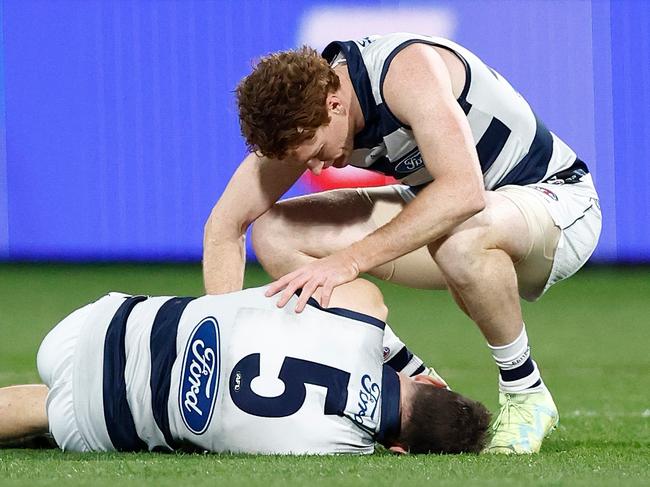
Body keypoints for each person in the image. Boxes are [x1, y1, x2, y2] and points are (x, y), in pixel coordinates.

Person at [202, 33, 602, 454]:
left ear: (334, 105)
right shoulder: (305, 113)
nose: (317, 166)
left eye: (317, 150)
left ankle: (526, 394)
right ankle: (409, 380)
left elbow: (464, 192)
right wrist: (226, 348)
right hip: (461, 221)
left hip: (555, 205)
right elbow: (224, 226)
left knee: (460, 234)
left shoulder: (404, 70)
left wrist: (350, 260)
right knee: (276, 232)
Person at [0, 279, 490, 455]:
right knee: (59, 408)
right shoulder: (336, 454)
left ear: (424, 381)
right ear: (401, 449)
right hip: (93, 422)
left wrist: (398, 360)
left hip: (95, 325)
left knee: (99, 372)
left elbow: (354, 291)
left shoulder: (359, 315)